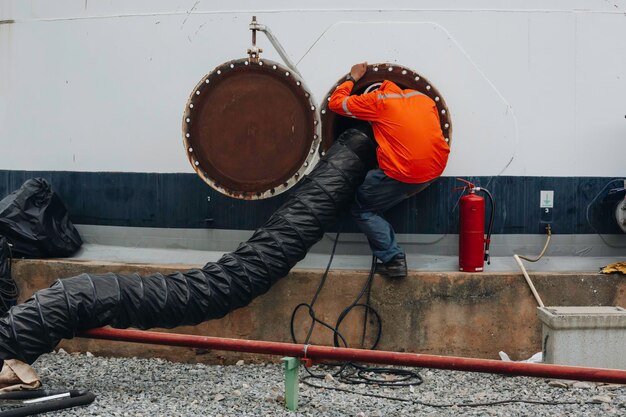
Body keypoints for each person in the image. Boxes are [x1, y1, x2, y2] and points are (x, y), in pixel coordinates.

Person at [329, 62, 450, 278]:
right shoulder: (423, 99)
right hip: (435, 168)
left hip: (405, 170)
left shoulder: (377, 101)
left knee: (362, 207)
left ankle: (392, 259)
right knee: (376, 192)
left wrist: (352, 77)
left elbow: (336, 104)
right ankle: (385, 241)